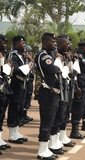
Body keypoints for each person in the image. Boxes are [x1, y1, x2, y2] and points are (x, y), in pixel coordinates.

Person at [35, 32, 61, 160]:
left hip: (53, 92)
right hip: (47, 92)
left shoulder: (50, 55)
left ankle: (46, 148)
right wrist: (58, 60)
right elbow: (54, 70)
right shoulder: (43, 55)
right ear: (45, 42)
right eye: (52, 42)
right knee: (46, 120)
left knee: (51, 120)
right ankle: (42, 150)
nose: (55, 44)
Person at [7, 35, 32, 144]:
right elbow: (16, 70)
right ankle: (12, 134)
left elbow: (33, 66)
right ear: (17, 44)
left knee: (19, 108)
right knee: (14, 108)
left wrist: (30, 61)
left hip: (22, 85)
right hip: (15, 84)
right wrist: (28, 66)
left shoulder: (22, 55)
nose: (24, 45)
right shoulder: (13, 55)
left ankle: (16, 132)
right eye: (22, 43)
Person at [0, 34, 12, 154]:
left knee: (1, 114)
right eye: (3, 42)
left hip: (3, 89)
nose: (5, 44)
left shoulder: (3, 55)